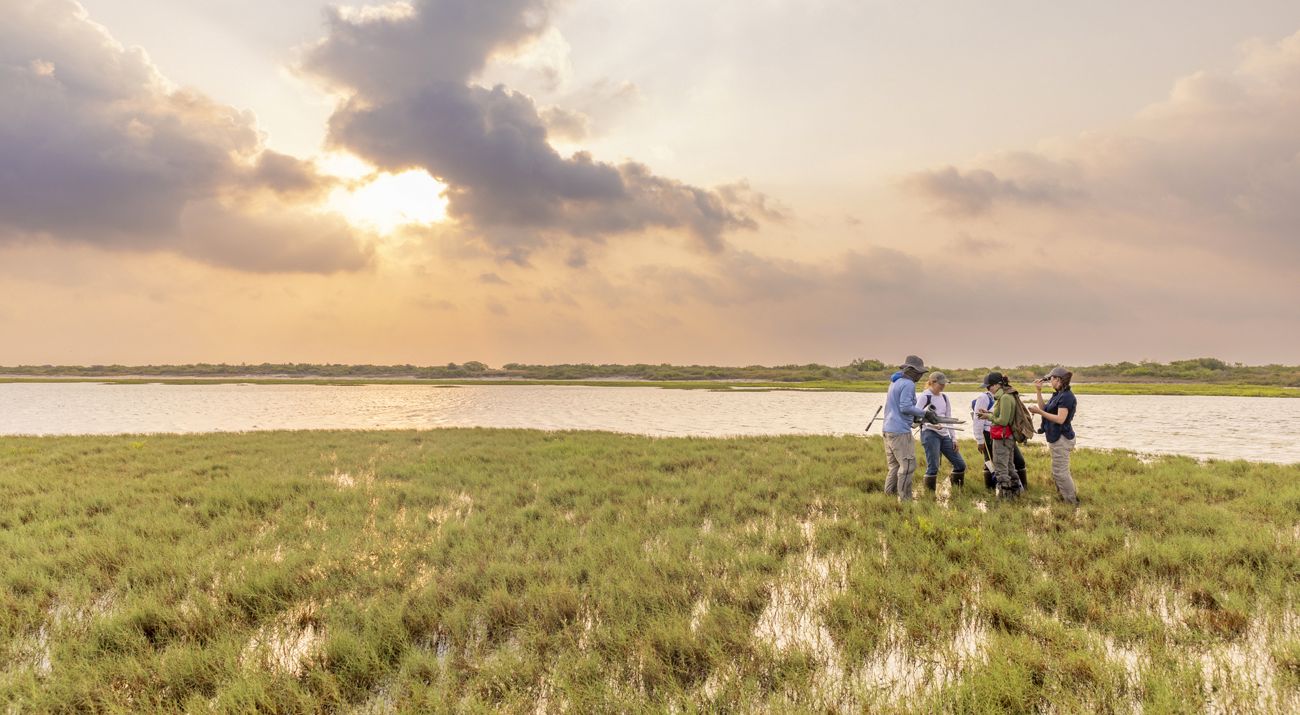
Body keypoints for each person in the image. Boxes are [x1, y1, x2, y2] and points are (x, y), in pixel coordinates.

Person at [1028, 366, 1079, 505]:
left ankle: (1072, 502)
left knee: (1060, 473)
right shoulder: (1058, 394)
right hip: (1056, 437)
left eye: (1051, 379)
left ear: (1058, 379)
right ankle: (1064, 498)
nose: (1050, 381)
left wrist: (1039, 412)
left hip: (1062, 438)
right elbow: (1045, 409)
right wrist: (1038, 391)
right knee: (1059, 471)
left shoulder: (1067, 397)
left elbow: (1060, 419)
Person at [882, 355, 929, 501]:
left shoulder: (895, 382)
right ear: (909, 370)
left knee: (894, 467)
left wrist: (916, 417)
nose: (920, 376)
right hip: (900, 431)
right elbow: (905, 407)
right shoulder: (908, 384)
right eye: (918, 372)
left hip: (888, 429)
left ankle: (888, 497)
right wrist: (924, 413)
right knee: (908, 466)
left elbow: (898, 407)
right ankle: (905, 500)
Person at [971, 372, 1027, 491]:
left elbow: (1003, 421)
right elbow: (1003, 415)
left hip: (1002, 436)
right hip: (1006, 436)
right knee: (1010, 466)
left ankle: (1005, 497)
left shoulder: (1005, 397)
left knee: (1001, 468)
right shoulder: (1004, 396)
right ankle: (1016, 492)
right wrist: (988, 413)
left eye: (989, 386)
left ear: (997, 385)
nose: (988, 389)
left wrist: (988, 417)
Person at [918, 371, 966, 491]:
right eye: (941, 384)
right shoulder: (925, 396)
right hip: (929, 434)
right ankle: (929, 496)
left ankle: (956, 491)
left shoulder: (944, 397)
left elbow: (949, 418)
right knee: (933, 467)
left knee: (960, 465)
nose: (943, 386)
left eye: (944, 383)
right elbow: (917, 417)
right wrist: (933, 425)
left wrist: (954, 438)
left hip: (944, 434)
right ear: (932, 382)